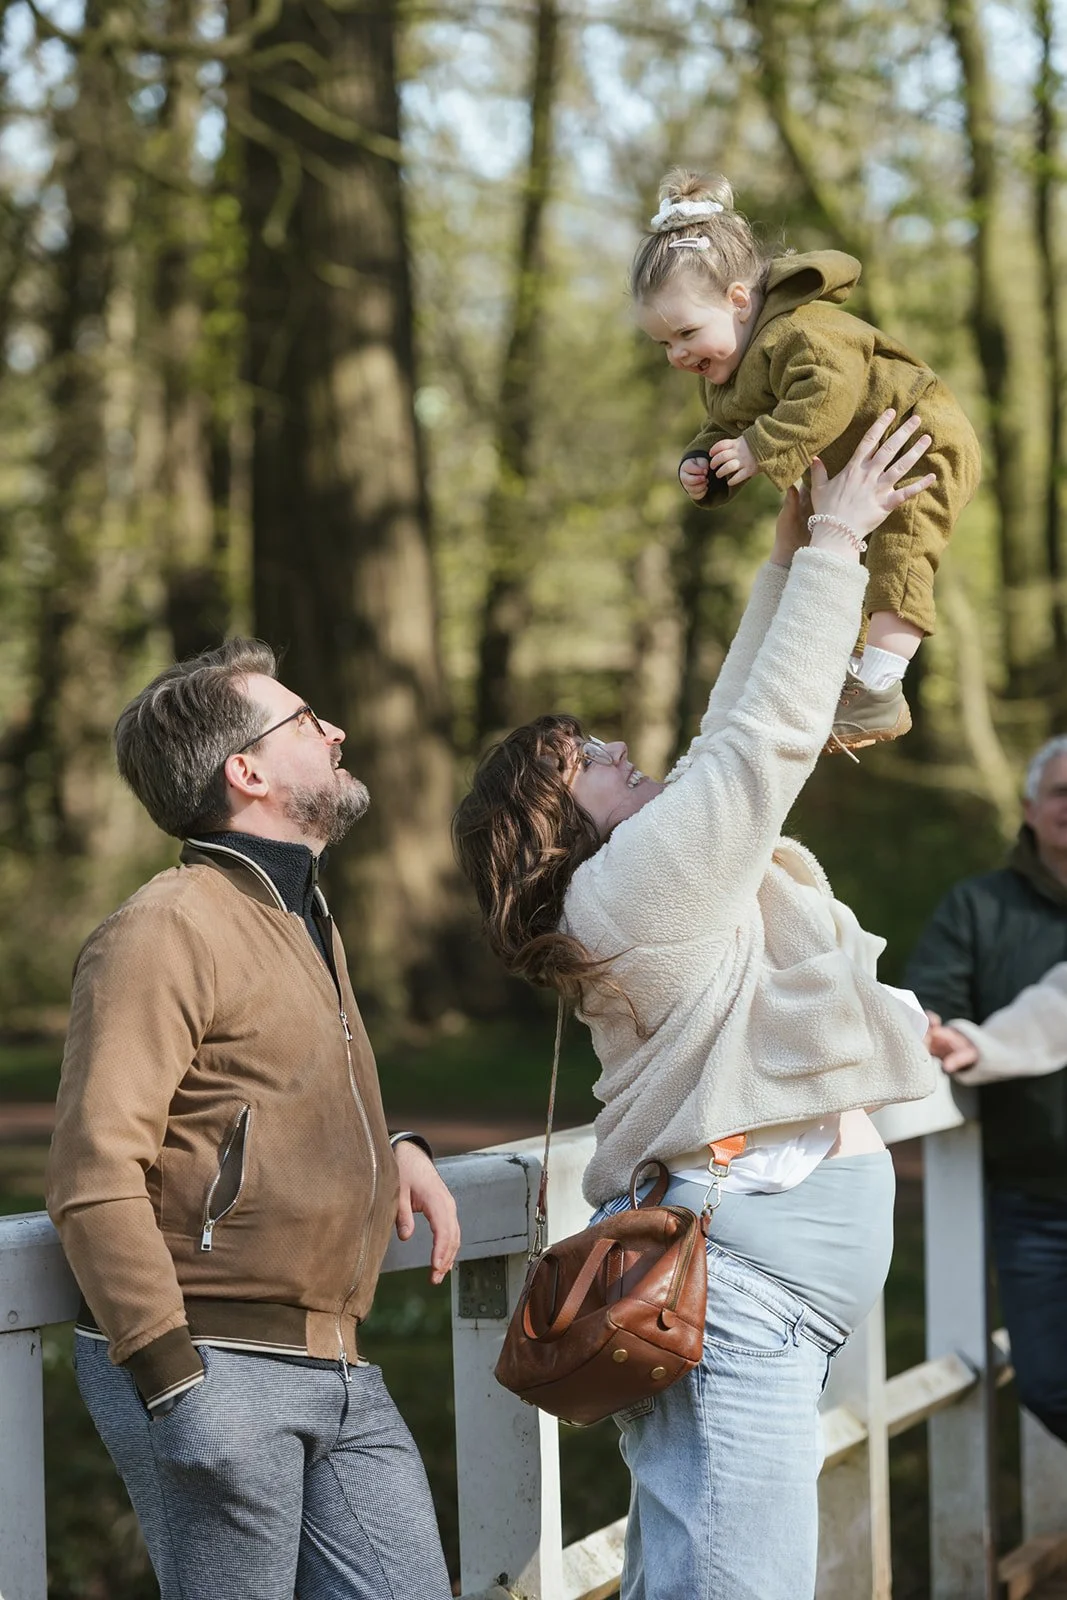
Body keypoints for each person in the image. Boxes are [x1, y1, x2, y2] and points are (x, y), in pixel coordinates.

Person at [452, 412, 940, 1600]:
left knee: (701, 1574)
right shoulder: (625, 891)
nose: (622, 749)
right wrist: (832, 543)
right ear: (561, 826)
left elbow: (735, 728)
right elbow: (758, 745)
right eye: (592, 762)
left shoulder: (637, 876)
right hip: (739, 1309)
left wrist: (784, 559)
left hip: (754, 1302)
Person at [45, 640, 460, 1600]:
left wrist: (388, 1148)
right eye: (309, 720)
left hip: (337, 1357)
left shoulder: (303, 912)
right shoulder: (163, 928)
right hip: (212, 1359)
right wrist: (172, 1378)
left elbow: (266, 1091)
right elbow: (93, 1173)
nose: (337, 731)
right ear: (249, 771)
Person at [633, 168, 982, 753]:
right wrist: (705, 465)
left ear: (739, 301)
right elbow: (722, 427)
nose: (678, 354)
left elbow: (828, 393)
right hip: (859, 463)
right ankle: (857, 679)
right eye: (664, 344)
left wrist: (757, 449)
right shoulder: (726, 373)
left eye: (687, 332)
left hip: (920, 436)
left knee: (902, 548)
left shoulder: (801, 331)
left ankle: (880, 688)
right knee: (853, 563)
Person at [907, 734, 1067, 1445]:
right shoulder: (977, 907)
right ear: (1030, 808)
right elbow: (928, 1004)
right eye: (1060, 792)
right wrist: (940, 1033)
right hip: (1032, 1199)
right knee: (1047, 1381)